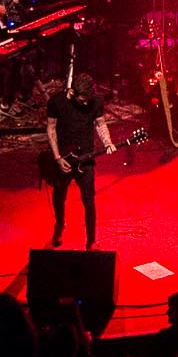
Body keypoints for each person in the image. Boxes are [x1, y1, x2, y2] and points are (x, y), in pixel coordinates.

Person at [43, 71, 117, 248]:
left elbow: (100, 123)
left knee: (89, 201)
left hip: (86, 157)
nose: (86, 103)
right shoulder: (57, 102)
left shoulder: (95, 101)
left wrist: (108, 142)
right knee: (59, 197)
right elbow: (51, 129)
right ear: (72, 92)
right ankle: (59, 226)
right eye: (82, 100)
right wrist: (57, 157)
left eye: (88, 99)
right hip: (64, 157)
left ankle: (91, 241)